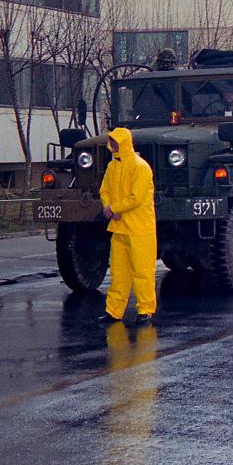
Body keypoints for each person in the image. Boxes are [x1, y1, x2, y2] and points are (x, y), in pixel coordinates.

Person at [99, 127, 157, 325]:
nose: (113, 145)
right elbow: (104, 189)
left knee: (143, 272)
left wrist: (113, 208)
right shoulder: (112, 167)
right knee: (118, 274)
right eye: (112, 142)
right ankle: (114, 312)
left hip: (140, 229)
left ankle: (146, 310)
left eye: (115, 142)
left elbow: (136, 198)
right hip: (119, 228)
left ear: (124, 143)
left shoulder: (140, 167)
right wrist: (108, 206)